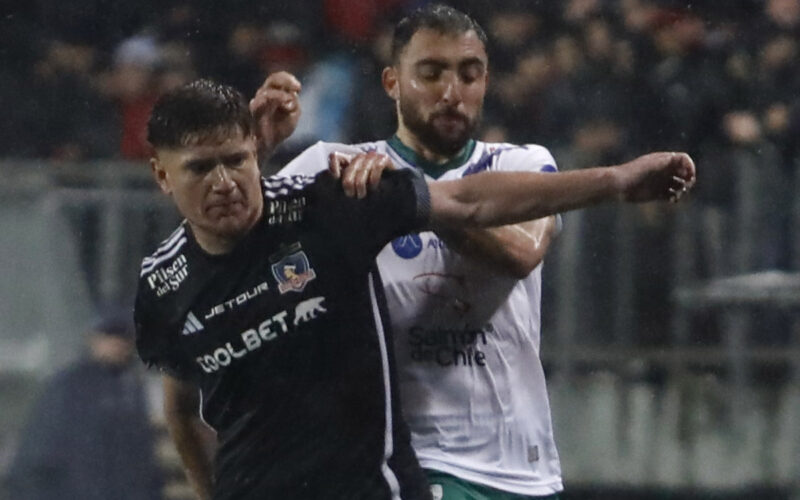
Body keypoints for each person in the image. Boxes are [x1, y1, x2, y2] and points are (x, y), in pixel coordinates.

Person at [134, 77, 693, 500]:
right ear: (162, 176)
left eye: (236, 160)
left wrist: (616, 181)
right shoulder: (162, 287)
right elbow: (183, 412)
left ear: (255, 152)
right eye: (201, 168)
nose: (226, 182)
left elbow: (471, 201)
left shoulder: (331, 203)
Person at [270, 4, 682, 499]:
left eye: (469, 74)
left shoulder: (521, 164)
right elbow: (231, 248)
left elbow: (520, 253)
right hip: (407, 461)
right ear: (391, 82)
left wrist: (408, 200)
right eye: (431, 73)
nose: (451, 92)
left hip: (521, 466)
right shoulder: (333, 168)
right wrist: (254, 150)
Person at [7, 309, 164, 500]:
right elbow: (36, 458)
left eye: (123, 337)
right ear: (92, 338)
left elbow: (143, 464)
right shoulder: (68, 387)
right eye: (109, 335)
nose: (116, 344)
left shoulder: (135, 388)